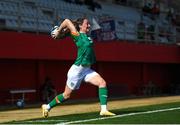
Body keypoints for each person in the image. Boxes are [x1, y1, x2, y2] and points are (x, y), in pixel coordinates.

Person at [42, 18, 116, 117]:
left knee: (102, 83)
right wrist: (59, 31)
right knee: (66, 95)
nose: (89, 26)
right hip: (76, 71)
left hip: (86, 70)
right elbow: (67, 21)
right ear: (80, 26)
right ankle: (47, 107)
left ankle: (103, 110)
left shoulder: (87, 36)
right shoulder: (77, 35)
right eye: (87, 24)